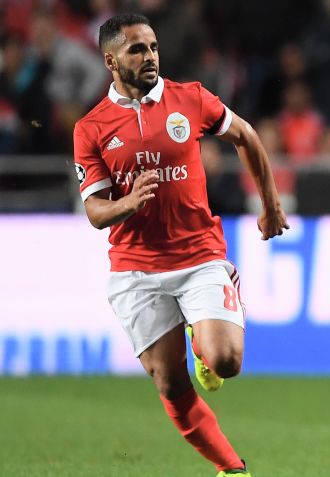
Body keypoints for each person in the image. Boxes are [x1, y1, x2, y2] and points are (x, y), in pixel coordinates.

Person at [73, 14, 289, 477]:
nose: (150, 56)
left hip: (199, 255)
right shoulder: (91, 127)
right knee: (171, 384)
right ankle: (232, 469)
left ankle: (203, 337)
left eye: (153, 47)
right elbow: (95, 212)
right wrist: (128, 203)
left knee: (226, 361)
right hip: (135, 269)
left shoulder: (189, 98)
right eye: (136, 49)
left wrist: (269, 205)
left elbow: (246, 136)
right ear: (111, 61)